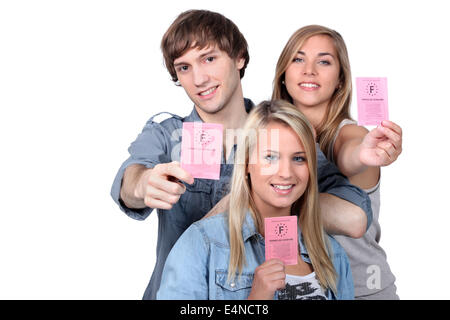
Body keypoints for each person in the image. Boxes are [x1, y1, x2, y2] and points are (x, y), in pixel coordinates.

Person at [110, 10, 370, 300]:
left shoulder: (277, 129)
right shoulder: (167, 132)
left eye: (209, 59)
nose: (199, 78)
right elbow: (129, 182)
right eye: (184, 68)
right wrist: (143, 184)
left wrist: (258, 195)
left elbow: (355, 216)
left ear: (239, 58)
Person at [157, 100, 353, 300]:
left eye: (298, 158)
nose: (286, 173)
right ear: (247, 163)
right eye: (270, 157)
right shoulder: (202, 244)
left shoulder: (332, 254)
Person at [272, 25, 402, 299]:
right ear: (284, 74)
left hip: (361, 290)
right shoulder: (268, 133)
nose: (309, 70)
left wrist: (363, 154)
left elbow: (349, 154)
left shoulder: (349, 135)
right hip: (300, 290)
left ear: (341, 80)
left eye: (324, 61)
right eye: (298, 59)